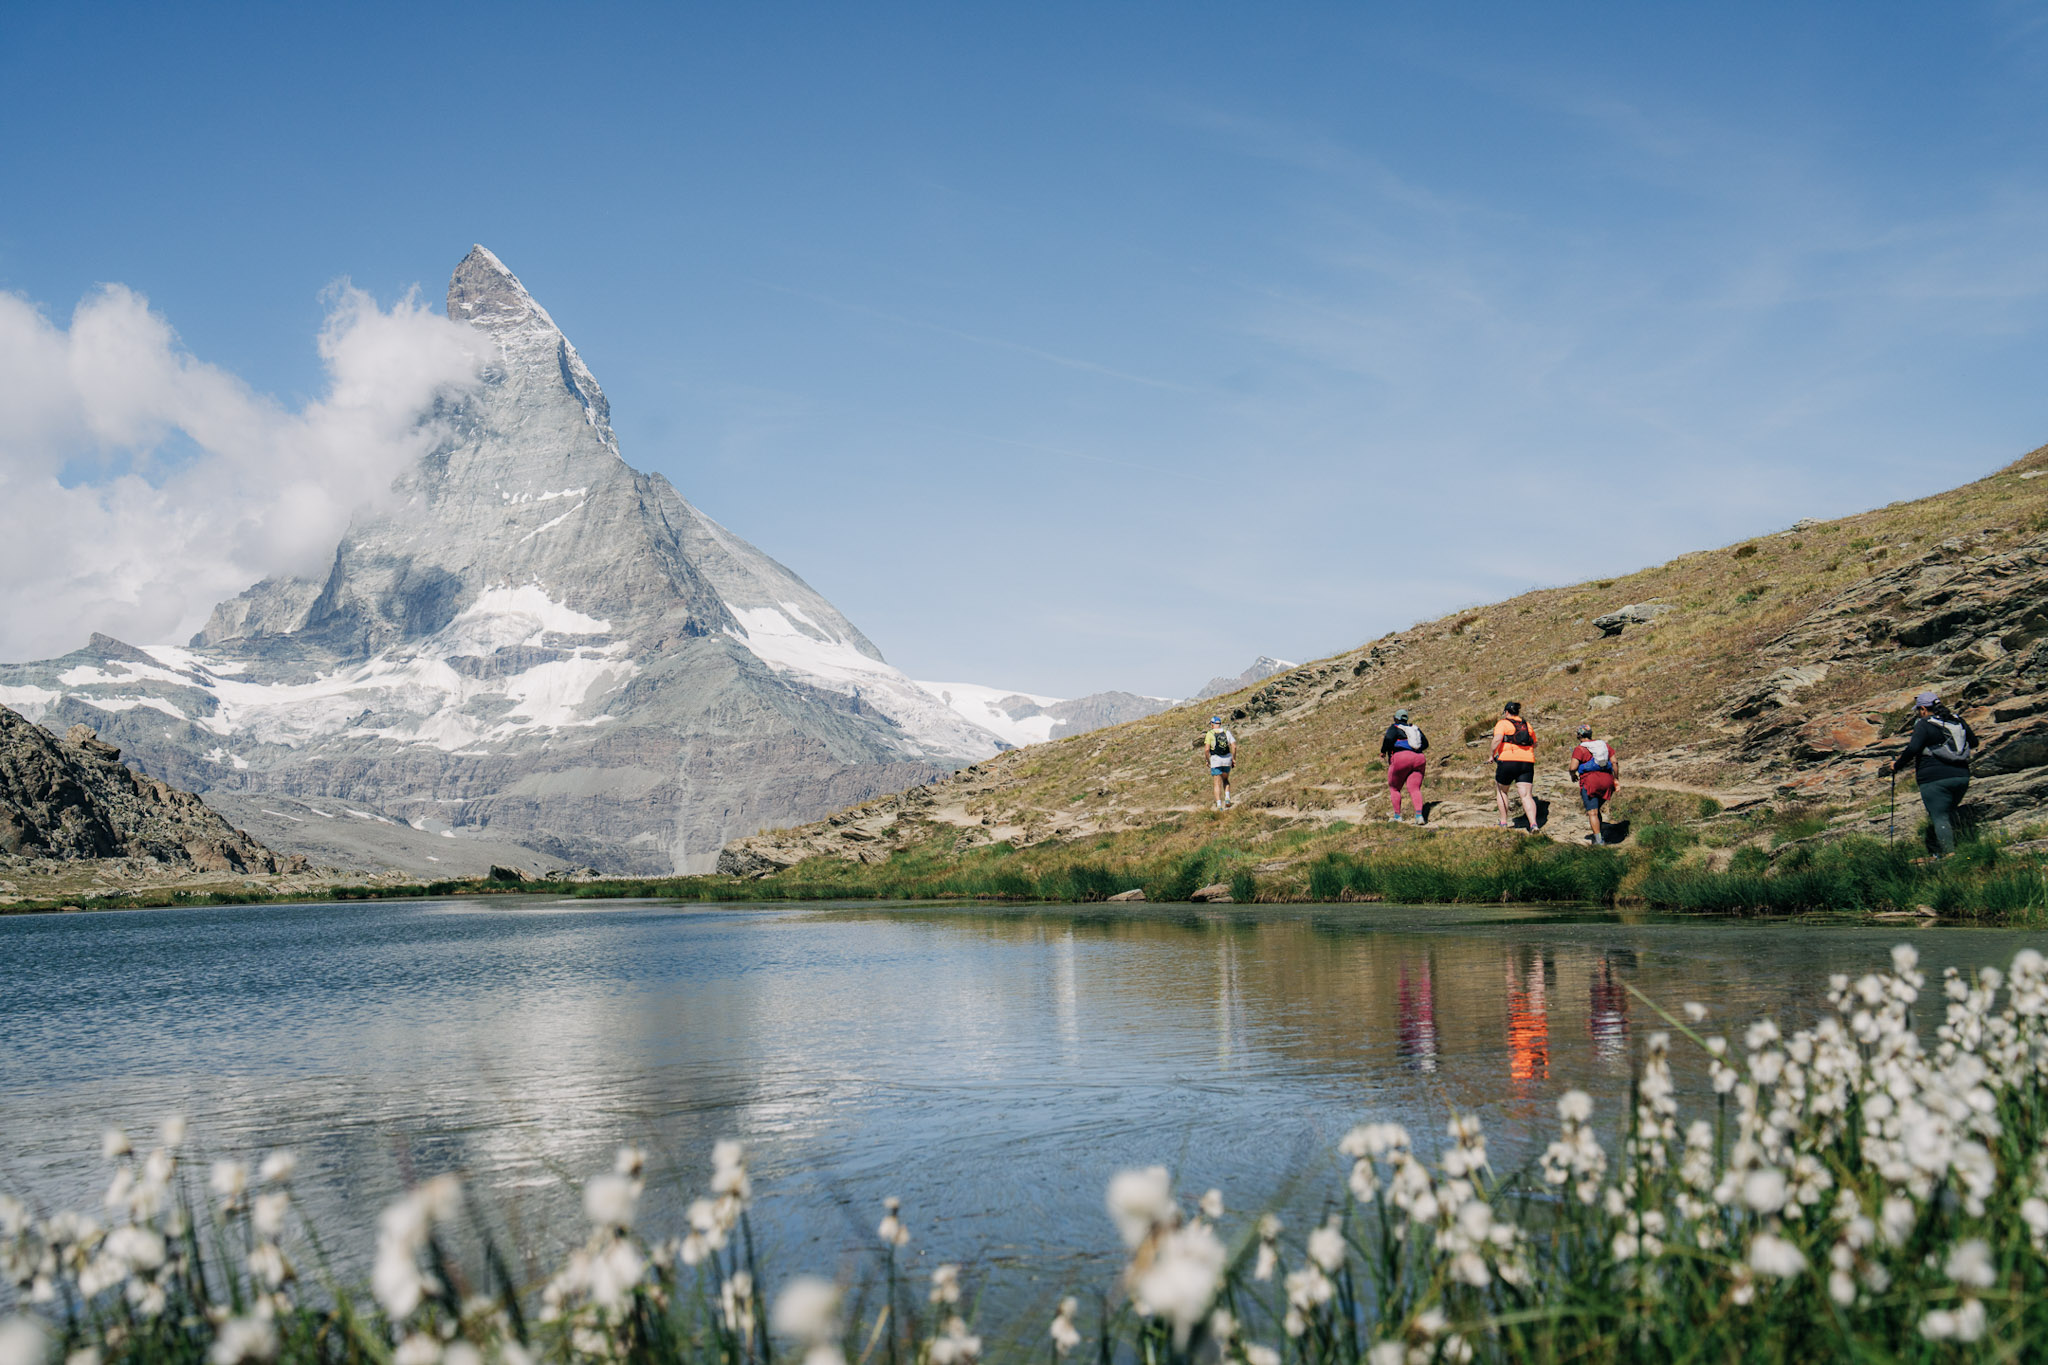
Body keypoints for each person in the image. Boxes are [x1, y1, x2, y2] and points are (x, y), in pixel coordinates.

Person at [1889, 690, 1975, 856]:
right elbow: (1974, 741)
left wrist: (1897, 765)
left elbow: (1913, 748)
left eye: (1918, 711)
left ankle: (1950, 855)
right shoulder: (1957, 721)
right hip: (1962, 776)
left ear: (1923, 709)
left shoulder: (1924, 724)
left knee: (1939, 816)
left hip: (1934, 779)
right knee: (1949, 812)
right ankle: (1962, 845)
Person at [1490, 701, 1540, 832]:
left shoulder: (1503, 723)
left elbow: (1497, 739)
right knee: (1526, 795)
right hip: (1527, 762)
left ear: (1506, 712)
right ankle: (1533, 824)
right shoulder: (1527, 725)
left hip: (1508, 760)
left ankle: (1503, 822)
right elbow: (1535, 744)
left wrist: (1491, 755)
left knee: (1502, 791)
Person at [1567, 724, 1619, 845]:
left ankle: (1598, 840)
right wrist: (1616, 779)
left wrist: (1572, 775)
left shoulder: (1580, 749)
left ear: (1579, 735)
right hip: (1607, 781)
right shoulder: (1604, 745)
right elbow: (1614, 762)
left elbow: (1572, 767)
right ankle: (1600, 832)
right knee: (1597, 809)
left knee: (1592, 812)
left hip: (1590, 782)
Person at [1380, 708, 1429, 825]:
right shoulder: (1414, 728)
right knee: (1414, 788)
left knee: (1395, 788)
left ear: (1396, 718)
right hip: (1419, 759)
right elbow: (1426, 743)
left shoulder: (1395, 728)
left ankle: (1397, 816)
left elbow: (1388, 739)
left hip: (1401, 758)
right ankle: (1419, 816)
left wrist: (1383, 751)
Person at [1202, 715, 1238, 809]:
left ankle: (1219, 805)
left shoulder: (1210, 733)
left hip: (1216, 760)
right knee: (1225, 780)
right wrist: (1233, 759)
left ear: (1212, 725)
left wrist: (1207, 760)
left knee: (1216, 783)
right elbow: (1234, 746)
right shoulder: (1226, 732)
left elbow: (1206, 750)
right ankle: (1227, 798)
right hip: (1227, 759)